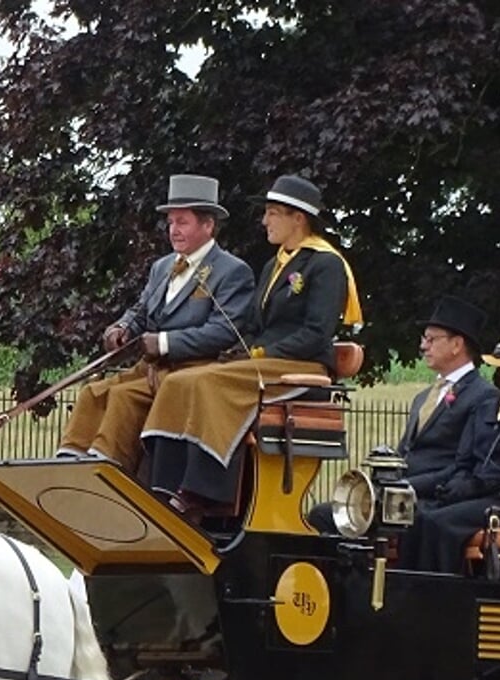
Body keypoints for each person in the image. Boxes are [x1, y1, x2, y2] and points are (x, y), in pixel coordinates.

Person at [138, 174, 363, 512]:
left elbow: (317, 333)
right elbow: (255, 325)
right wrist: (241, 351)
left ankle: (205, 492)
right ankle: (162, 484)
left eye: (273, 213)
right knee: (181, 380)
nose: (264, 221)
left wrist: (262, 353)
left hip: (302, 367)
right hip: (265, 363)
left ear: (297, 218)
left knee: (207, 381)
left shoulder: (326, 264)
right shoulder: (275, 264)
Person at [55, 174, 255, 471]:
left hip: (193, 372)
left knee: (123, 396)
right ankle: (69, 463)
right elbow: (141, 310)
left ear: (208, 225)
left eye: (182, 222)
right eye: (171, 222)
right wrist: (121, 328)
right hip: (151, 370)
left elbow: (224, 331)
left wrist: (163, 343)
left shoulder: (232, 271)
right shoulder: (162, 267)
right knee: (92, 393)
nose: (173, 230)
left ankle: (107, 469)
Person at [308, 295, 496, 533]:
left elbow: (463, 465)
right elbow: (405, 452)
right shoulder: (423, 397)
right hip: (400, 494)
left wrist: (406, 486)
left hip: (433, 499)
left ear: (457, 345)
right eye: (423, 339)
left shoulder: (482, 395)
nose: (423, 346)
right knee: (325, 516)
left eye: (431, 339)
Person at [396, 326, 500, 573]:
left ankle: (441, 595)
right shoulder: (490, 404)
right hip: (480, 495)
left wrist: (478, 483)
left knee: (440, 523)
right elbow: (465, 458)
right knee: (418, 517)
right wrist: (458, 484)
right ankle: (407, 588)